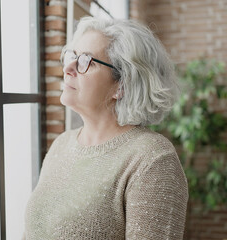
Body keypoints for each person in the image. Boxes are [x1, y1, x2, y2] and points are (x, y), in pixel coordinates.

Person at [23, 17, 188, 239]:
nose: (69, 68)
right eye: (71, 56)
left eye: (85, 61)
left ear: (121, 85)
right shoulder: (61, 144)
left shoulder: (152, 159)